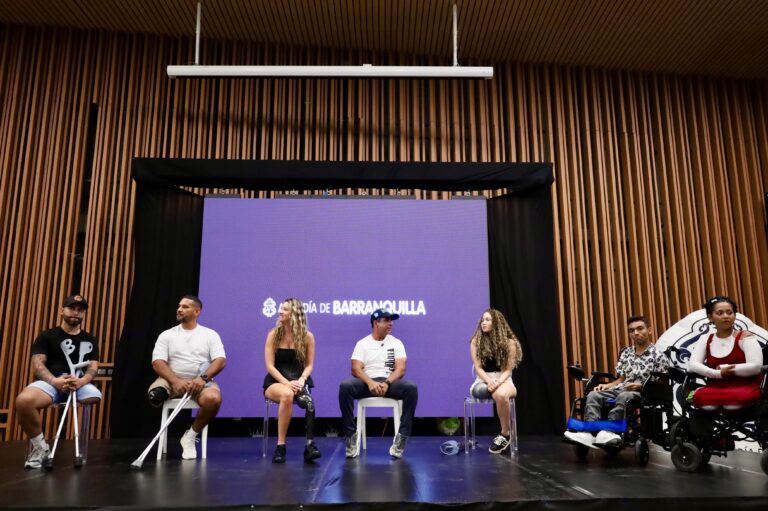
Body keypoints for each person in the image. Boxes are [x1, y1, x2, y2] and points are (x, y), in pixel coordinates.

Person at [15, 294, 102, 468]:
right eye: (72, 308)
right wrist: (55, 381)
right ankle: (41, 449)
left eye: (80, 310)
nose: (76, 313)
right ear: (62, 310)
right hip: (51, 384)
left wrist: (81, 381)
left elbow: (93, 367)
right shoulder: (47, 336)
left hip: (78, 385)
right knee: (23, 401)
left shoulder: (90, 339)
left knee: (95, 396)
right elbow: (37, 364)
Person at [564, 315, 670, 448]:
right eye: (631, 330)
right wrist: (607, 385)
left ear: (649, 330)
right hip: (622, 388)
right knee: (593, 395)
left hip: (644, 393)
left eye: (639, 328)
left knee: (624, 396)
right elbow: (621, 379)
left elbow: (662, 383)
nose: (636, 333)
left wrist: (641, 386)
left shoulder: (659, 355)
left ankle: (610, 431)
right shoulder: (626, 353)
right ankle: (589, 433)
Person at [147, 295, 226, 460]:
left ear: (197, 312)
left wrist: (202, 379)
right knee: (156, 395)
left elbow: (220, 361)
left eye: (185, 307)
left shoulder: (210, 335)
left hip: (200, 382)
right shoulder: (167, 335)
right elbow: (157, 362)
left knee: (213, 399)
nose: (179, 309)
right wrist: (176, 381)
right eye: (179, 306)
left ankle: (190, 436)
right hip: (171, 379)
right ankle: (163, 395)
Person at [339, 309, 418, 459]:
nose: (391, 324)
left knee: (411, 388)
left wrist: (387, 382)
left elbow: (401, 369)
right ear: (376, 323)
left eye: (391, 320)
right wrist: (370, 382)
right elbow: (355, 369)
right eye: (387, 320)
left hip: (389, 382)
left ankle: (402, 436)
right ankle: (350, 436)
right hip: (367, 383)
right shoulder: (362, 343)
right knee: (345, 387)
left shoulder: (396, 343)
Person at [263, 298, 321, 463]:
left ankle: (310, 446)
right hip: (276, 381)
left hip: (299, 381)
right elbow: (270, 367)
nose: (280, 311)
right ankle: (281, 446)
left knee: (309, 403)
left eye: (285, 309)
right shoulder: (273, 335)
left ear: (295, 314)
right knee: (287, 394)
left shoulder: (308, 337)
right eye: (281, 308)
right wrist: (287, 383)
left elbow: (309, 365)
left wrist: (302, 379)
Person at [687, 296, 762, 410]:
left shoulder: (745, 337)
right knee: (700, 398)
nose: (726, 316)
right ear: (710, 317)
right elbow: (692, 365)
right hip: (716, 386)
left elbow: (756, 367)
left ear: (735, 316)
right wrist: (716, 373)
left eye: (729, 312)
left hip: (744, 385)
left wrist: (727, 368)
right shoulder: (706, 339)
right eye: (720, 313)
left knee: (733, 403)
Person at [469, 309, 523, 454]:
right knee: (482, 391)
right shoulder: (475, 341)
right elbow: (479, 368)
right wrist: (490, 382)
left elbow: (508, 370)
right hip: (483, 380)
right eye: (482, 320)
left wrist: (498, 382)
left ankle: (505, 434)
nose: (483, 322)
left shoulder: (510, 343)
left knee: (500, 394)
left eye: (487, 320)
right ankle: (505, 434)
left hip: (504, 379)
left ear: (496, 323)